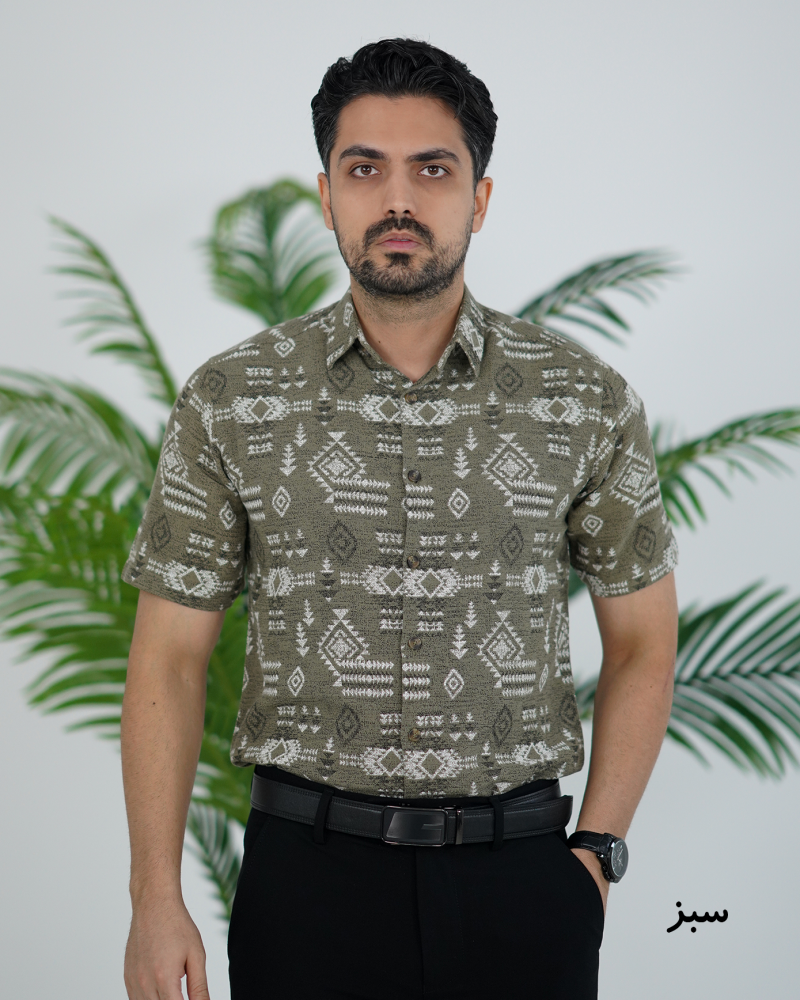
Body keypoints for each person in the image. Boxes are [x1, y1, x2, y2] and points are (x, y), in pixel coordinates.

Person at [120, 38, 679, 1000]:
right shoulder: (232, 400)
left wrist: (596, 852)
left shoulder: (583, 400)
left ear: (480, 198)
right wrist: (154, 897)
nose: (398, 200)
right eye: (364, 168)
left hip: (523, 885)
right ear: (327, 195)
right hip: (307, 888)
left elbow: (643, 642)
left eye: (433, 169)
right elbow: (168, 658)